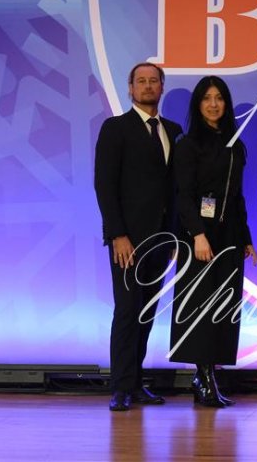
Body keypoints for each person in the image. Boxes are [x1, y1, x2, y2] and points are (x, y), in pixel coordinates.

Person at [94, 62, 182, 412]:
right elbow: (105, 185)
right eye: (141, 81)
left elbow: (175, 188)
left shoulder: (173, 130)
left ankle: (135, 381)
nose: (147, 86)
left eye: (153, 81)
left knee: (147, 312)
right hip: (128, 241)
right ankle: (120, 387)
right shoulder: (115, 128)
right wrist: (117, 233)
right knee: (128, 310)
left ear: (162, 87)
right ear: (130, 88)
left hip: (162, 239)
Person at [169, 76, 257, 408]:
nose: (213, 104)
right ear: (198, 104)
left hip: (229, 235)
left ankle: (208, 377)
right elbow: (183, 195)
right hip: (199, 237)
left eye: (219, 98)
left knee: (222, 308)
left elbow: (237, 197)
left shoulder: (235, 145)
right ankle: (203, 377)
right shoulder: (187, 144)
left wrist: (246, 238)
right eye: (207, 98)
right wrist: (197, 235)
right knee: (200, 307)